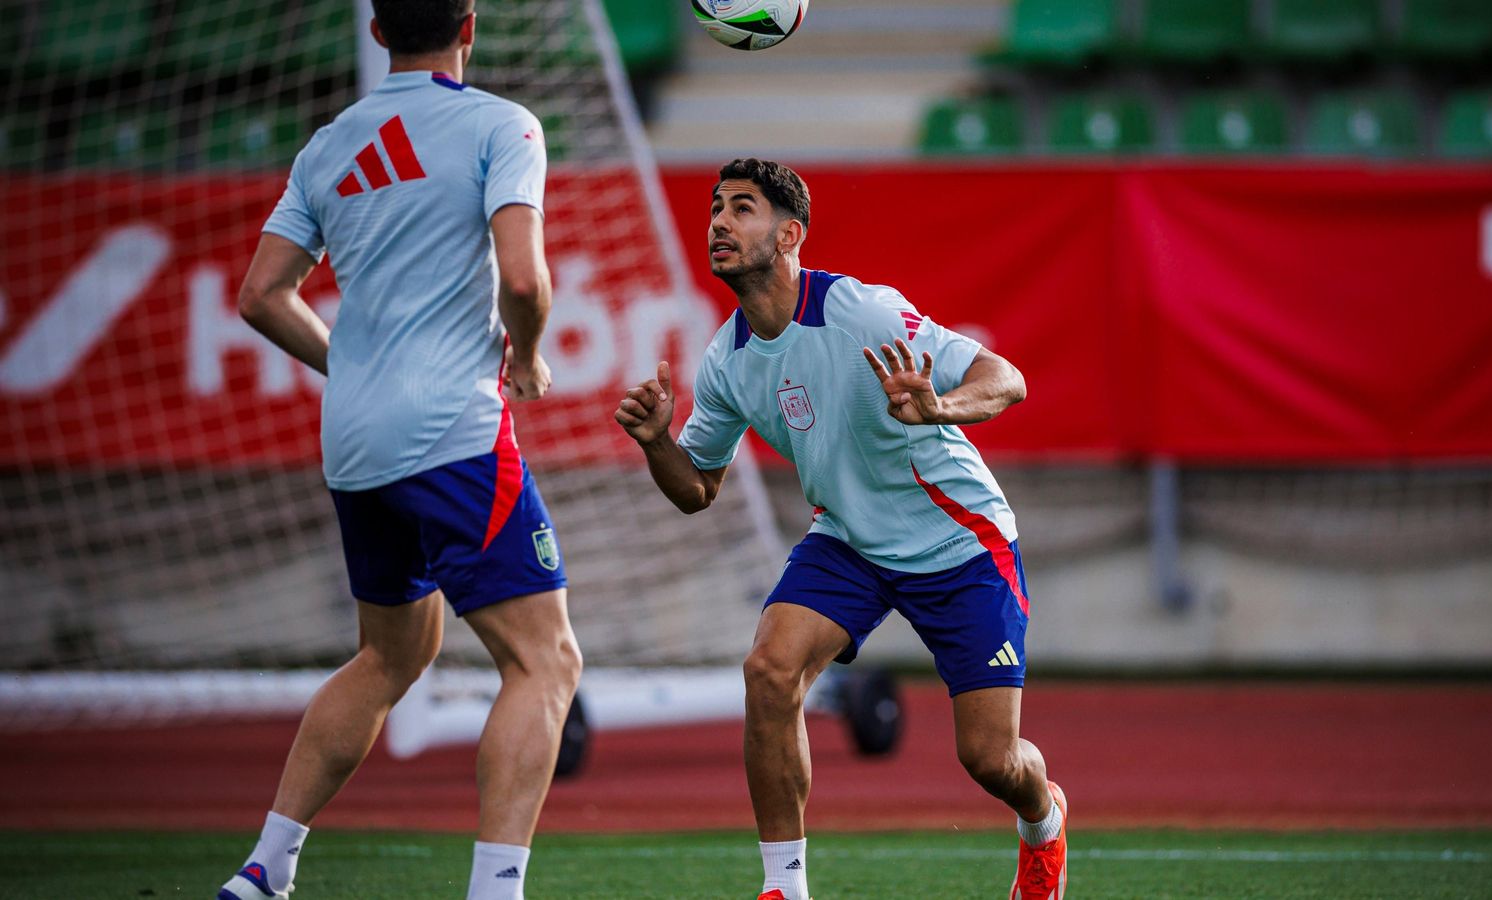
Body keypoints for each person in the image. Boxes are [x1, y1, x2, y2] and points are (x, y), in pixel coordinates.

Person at [613, 158, 1067, 900]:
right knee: (768, 670)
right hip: (849, 540)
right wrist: (659, 443)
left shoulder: (862, 312)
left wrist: (939, 408)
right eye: (717, 208)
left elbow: (1007, 377)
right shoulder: (726, 359)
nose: (720, 223)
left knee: (990, 760)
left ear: (790, 235)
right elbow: (697, 489)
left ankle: (1044, 821)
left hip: (957, 542)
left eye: (743, 209)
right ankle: (784, 889)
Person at [219, 2, 581, 898]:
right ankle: (496, 889)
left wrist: (356, 366)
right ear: (470, 24)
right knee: (545, 660)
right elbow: (526, 277)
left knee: (390, 655)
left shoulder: (327, 144)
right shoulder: (502, 125)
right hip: (451, 430)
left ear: (378, 31)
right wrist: (528, 357)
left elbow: (262, 295)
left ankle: (266, 867)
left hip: (353, 435)